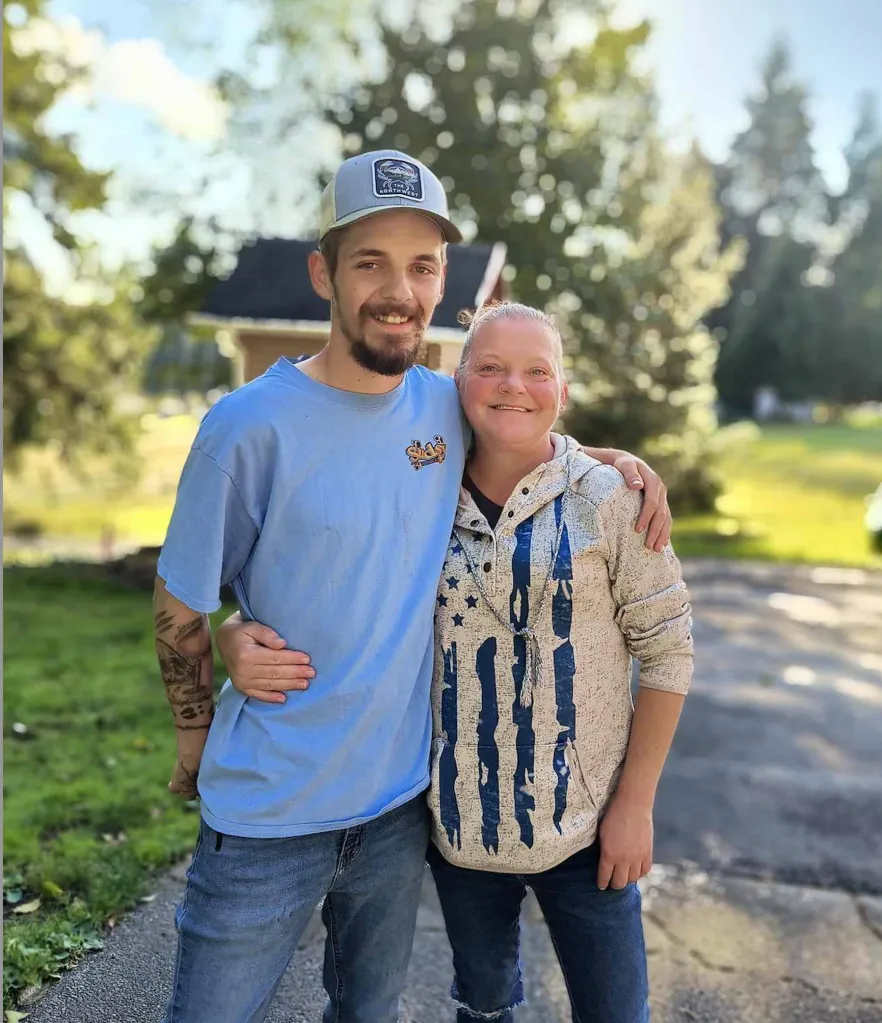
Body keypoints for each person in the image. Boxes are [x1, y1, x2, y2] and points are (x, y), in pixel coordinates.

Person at [152, 149, 672, 1023]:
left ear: (440, 285)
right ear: (324, 273)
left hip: (400, 812)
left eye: (420, 266)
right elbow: (177, 609)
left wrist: (618, 466)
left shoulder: (444, 404)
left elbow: (526, 419)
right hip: (266, 818)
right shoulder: (243, 429)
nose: (397, 289)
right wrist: (196, 736)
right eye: (370, 263)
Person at [219, 302, 693, 1022]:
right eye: (491, 367)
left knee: (616, 1009)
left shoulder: (608, 501)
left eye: (538, 371)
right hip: (463, 828)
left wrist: (635, 803)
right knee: (482, 999)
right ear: (456, 381)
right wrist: (235, 629)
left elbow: (667, 649)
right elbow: (327, 574)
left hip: (589, 823)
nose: (514, 386)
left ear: (561, 390)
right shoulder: (419, 488)